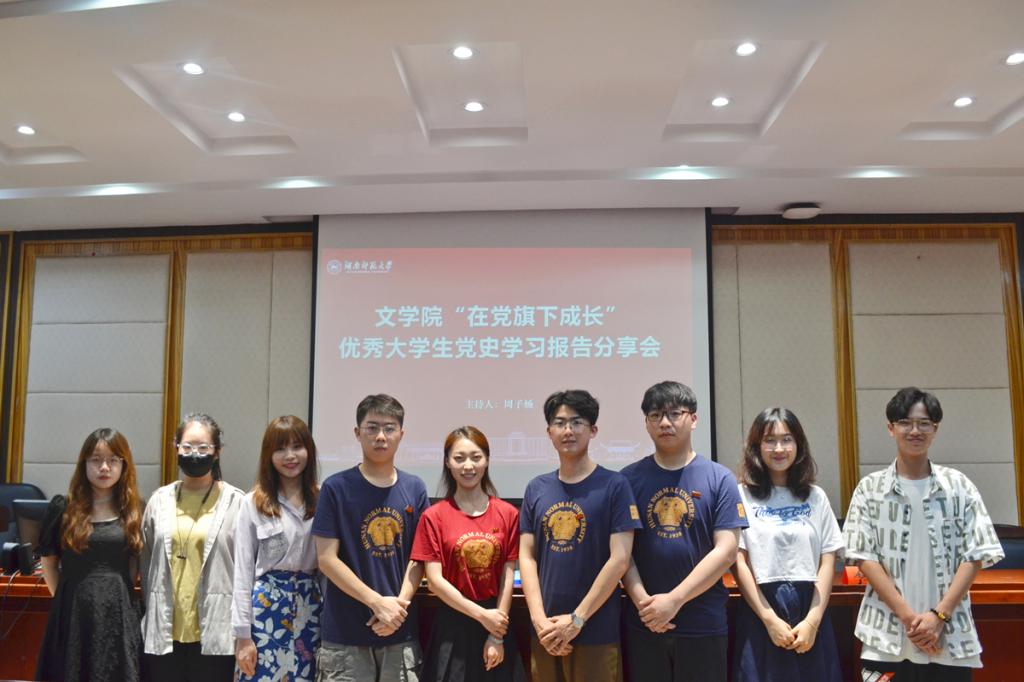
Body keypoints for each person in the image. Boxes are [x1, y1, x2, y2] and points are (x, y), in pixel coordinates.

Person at [843, 387, 1005, 682]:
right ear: (891, 428)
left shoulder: (959, 486)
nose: (914, 430)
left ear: (935, 429)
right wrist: (909, 618)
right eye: (905, 422)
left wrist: (938, 616)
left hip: (950, 637)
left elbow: (976, 553)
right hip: (885, 637)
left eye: (924, 423)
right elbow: (863, 557)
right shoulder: (869, 489)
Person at [620, 381, 747, 682]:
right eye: (655, 415)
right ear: (646, 424)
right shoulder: (627, 480)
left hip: (703, 624)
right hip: (644, 623)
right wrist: (644, 604)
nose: (665, 423)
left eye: (674, 413)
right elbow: (621, 553)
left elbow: (727, 551)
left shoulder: (720, 478)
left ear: (693, 419)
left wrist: (674, 601)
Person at [518, 389, 640, 682]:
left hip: (596, 629)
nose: (568, 430)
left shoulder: (615, 485)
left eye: (577, 422)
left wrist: (577, 620)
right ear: (549, 432)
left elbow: (620, 559)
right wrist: (539, 620)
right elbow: (527, 556)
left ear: (593, 430)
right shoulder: (536, 488)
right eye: (559, 423)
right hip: (546, 630)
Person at [312, 394, 429, 682]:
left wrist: (397, 610)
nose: (380, 436)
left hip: (400, 633)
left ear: (401, 434)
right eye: (372, 428)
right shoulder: (335, 487)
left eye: (389, 428)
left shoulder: (415, 488)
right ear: (357, 433)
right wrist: (377, 603)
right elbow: (326, 559)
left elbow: (420, 558)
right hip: (345, 635)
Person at [732, 407, 844, 682]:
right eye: (770, 440)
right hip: (760, 609)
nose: (779, 448)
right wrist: (769, 619)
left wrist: (812, 622)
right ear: (757, 447)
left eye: (787, 439)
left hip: (810, 607)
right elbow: (738, 562)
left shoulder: (816, 497)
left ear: (799, 445)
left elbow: (827, 560)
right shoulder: (741, 495)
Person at [411, 426, 526, 682]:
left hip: (496, 621)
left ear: (487, 460)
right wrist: (482, 616)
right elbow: (435, 581)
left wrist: (496, 634)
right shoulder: (433, 516)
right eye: (459, 458)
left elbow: (508, 575)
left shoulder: (508, 514)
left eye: (476, 457)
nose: (468, 466)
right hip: (452, 624)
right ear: (447, 462)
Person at [141, 412, 246, 681]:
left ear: (217, 452)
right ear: (176, 448)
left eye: (203, 448)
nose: (194, 455)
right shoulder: (159, 500)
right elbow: (146, 561)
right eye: (187, 447)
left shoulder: (237, 503)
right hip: (165, 630)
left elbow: (246, 571)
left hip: (216, 631)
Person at [36, 428, 145, 682]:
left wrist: (113, 591)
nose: (104, 467)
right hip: (73, 611)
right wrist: (68, 598)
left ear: (124, 465)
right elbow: (49, 563)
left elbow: (133, 565)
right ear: (83, 463)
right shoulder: (63, 508)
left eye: (113, 460)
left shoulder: (134, 510)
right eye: (96, 460)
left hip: (118, 612)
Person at [233, 415, 322, 681]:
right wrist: (242, 636)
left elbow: (329, 569)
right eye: (280, 449)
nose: (290, 456)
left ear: (309, 450)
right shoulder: (252, 503)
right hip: (265, 611)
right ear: (268, 456)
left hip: (311, 608)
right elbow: (242, 573)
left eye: (297, 446)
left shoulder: (324, 499)